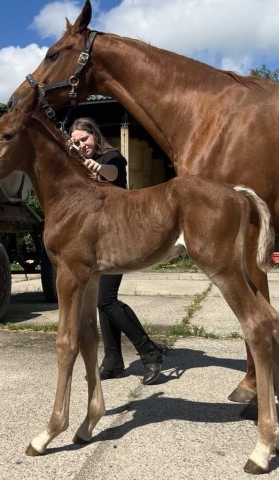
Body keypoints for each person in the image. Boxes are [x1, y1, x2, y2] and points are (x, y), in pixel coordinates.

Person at [69, 117, 166, 385]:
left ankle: (150, 352)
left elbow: (113, 174)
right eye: (76, 142)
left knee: (106, 299)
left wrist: (96, 167)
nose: (81, 145)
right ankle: (113, 360)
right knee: (102, 299)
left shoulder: (112, 157)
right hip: (96, 237)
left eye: (84, 139)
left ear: (94, 136)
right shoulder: (78, 164)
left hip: (118, 234)